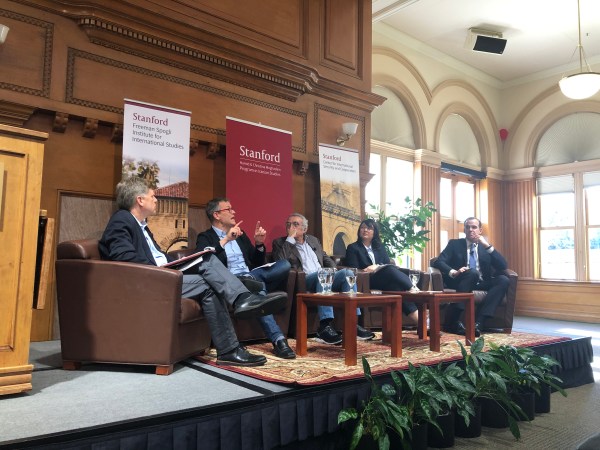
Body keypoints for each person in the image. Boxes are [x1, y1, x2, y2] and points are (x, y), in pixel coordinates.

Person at [98, 177, 287, 367]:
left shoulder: (142, 226)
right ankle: (242, 302)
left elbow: (158, 256)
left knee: (207, 265)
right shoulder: (121, 220)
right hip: (153, 280)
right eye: (153, 196)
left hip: (165, 275)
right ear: (140, 200)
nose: (156, 200)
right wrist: (161, 271)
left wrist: (178, 263)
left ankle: (230, 347)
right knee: (206, 259)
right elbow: (123, 258)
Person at [195, 198, 295, 359]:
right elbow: (206, 262)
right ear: (217, 215)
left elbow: (255, 262)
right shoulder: (205, 237)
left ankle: (256, 288)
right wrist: (226, 239)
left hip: (251, 274)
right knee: (257, 289)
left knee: (284, 265)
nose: (233, 212)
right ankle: (279, 340)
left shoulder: (241, 236)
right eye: (229, 209)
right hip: (233, 279)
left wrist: (259, 244)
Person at [272, 213, 375, 344]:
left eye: (295, 224)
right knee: (323, 274)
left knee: (348, 273)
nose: (290, 227)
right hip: (305, 281)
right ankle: (324, 327)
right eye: (288, 224)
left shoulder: (313, 241)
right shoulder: (280, 243)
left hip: (324, 276)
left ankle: (352, 324)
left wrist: (332, 270)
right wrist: (290, 241)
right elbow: (281, 263)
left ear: (304, 229)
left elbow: (327, 259)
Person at [432, 217, 510, 337]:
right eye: (467, 227)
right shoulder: (455, 244)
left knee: (503, 280)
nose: (470, 230)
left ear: (480, 230)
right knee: (472, 273)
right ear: (464, 230)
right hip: (462, 280)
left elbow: (503, 265)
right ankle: (453, 320)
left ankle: (479, 323)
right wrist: (454, 272)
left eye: (474, 227)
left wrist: (487, 245)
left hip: (482, 282)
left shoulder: (485, 248)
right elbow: (438, 262)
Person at [344, 218, 419, 325]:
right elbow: (353, 268)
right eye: (362, 228)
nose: (365, 230)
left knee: (396, 289)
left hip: (383, 279)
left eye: (369, 228)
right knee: (390, 269)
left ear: (374, 232)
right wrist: (372, 269)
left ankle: (421, 322)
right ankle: (412, 287)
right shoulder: (353, 248)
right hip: (367, 280)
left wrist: (376, 266)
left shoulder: (379, 248)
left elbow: (387, 263)